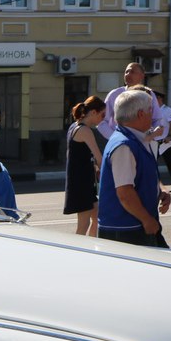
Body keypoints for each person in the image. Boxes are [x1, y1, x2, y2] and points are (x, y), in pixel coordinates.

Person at [97, 88, 170, 247]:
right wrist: (146, 219)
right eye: (151, 110)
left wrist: (160, 190)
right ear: (141, 114)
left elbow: (142, 174)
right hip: (126, 230)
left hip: (135, 226)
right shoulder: (124, 146)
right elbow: (124, 192)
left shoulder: (137, 139)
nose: (154, 115)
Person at [63, 96, 105, 236]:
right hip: (82, 183)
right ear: (93, 112)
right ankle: (78, 253)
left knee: (97, 217)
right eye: (102, 114)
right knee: (83, 225)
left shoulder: (74, 126)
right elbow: (99, 158)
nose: (103, 119)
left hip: (80, 180)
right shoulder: (85, 130)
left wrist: (94, 167)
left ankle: (92, 248)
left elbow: (76, 156)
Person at [98, 63, 165, 143]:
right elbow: (102, 121)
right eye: (126, 72)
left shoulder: (149, 94)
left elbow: (157, 119)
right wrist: (115, 138)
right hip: (120, 142)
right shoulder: (114, 94)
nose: (128, 74)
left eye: (132, 72)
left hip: (145, 142)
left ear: (142, 76)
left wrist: (152, 136)